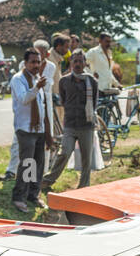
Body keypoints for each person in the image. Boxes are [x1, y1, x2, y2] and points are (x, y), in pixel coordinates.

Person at [42, 48, 99, 193]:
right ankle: (47, 181)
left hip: (86, 125)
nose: (78, 64)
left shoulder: (92, 81)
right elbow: (63, 100)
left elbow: (94, 103)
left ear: (85, 63)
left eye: (81, 61)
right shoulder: (64, 81)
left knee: (86, 159)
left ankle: (84, 186)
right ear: (71, 63)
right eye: (75, 61)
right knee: (64, 153)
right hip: (70, 125)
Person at [10, 47, 55, 215]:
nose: (36, 65)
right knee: (27, 164)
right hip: (25, 128)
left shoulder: (38, 79)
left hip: (39, 129)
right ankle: (19, 197)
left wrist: (48, 132)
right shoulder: (18, 79)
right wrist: (36, 87)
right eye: (33, 62)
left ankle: (33, 194)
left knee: (38, 164)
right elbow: (24, 99)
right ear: (25, 63)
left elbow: (42, 108)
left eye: (38, 62)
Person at [49, 32, 70, 138]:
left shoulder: (58, 59)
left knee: (59, 126)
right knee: (53, 128)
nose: (67, 51)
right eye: (66, 47)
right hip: (51, 98)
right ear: (58, 46)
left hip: (59, 97)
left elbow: (58, 78)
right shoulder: (49, 58)